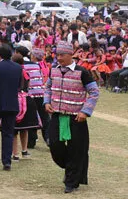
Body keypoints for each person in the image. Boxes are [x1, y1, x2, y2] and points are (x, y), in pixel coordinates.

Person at [44, 41, 100, 194]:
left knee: (77, 149)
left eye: (62, 55)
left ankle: (71, 182)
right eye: (58, 55)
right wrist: (46, 101)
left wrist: (85, 111)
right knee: (54, 146)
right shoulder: (53, 70)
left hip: (76, 118)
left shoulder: (82, 72)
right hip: (56, 115)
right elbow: (48, 87)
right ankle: (71, 169)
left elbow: (94, 92)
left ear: (70, 55)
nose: (59, 58)